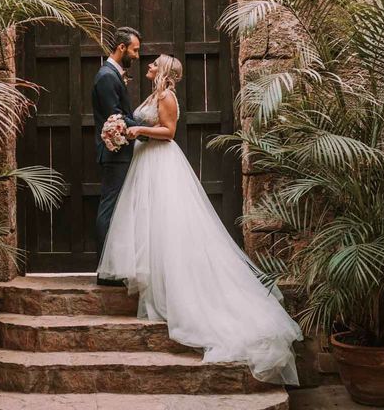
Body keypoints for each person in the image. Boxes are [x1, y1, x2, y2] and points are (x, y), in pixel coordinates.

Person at [97, 54, 304, 386]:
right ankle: (157, 278)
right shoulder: (154, 95)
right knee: (151, 224)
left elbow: (169, 131)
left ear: (163, 71)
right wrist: (125, 130)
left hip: (161, 162)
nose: (148, 66)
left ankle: (183, 293)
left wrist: (137, 129)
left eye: (153, 64)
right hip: (145, 162)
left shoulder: (167, 97)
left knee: (170, 223)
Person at [92, 26, 141, 286]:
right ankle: (105, 270)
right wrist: (144, 126)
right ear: (121, 48)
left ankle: (114, 266)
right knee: (109, 209)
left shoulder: (113, 74)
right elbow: (115, 118)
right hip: (115, 153)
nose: (137, 56)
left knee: (116, 208)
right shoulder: (107, 77)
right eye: (134, 50)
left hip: (120, 152)